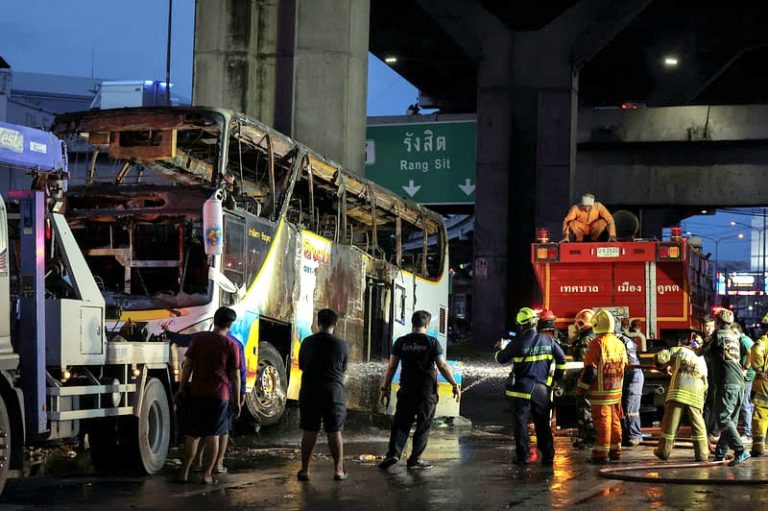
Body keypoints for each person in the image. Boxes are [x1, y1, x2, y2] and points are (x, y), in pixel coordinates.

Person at [378, 311, 461, 471]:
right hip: (426, 392)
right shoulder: (432, 342)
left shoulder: (401, 342)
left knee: (401, 423)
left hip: (406, 389)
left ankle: (393, 454)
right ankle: (414, 459)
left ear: (412, 323)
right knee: (423, 425)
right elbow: (442, 366)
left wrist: (385, 388)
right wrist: (454, 384)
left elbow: (392, 367)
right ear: (427, 324)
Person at [163, 321, 247, 475]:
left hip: (198, 392)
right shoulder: (234, 344)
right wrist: (240, 395)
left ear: (214, 321)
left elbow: (187, 360)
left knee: (194, 433)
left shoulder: (200, 338)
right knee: (217, 433)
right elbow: (238, 374)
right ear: (230, 323)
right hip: (222, 394)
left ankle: (187, 470)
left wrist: (168, 333)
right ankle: (212, 469)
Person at [494, 308, 567, 465]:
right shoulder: (548, 341)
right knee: (542, 424)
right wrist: (554, 380)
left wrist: (500, 349)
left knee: (521, 424)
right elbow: (562, 360)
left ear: (522, 325)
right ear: (535, 323)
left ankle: (523, 456)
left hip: (522, 391)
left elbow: (501, 359)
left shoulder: (517, 342)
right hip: (541, 389)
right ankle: (548, 455)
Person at [296, 309, 349, 481]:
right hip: (333, 393)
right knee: (334, 431)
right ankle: (338, 471)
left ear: (318, 322)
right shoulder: (341, 345)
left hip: (310, 390)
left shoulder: (307, 342)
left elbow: (302, 365)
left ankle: (304, 470)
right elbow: (343, 369)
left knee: (310, 430)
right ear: (335, 324)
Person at [577, 309, 627, 463]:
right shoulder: (619, 343)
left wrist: (581, 388)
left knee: (602, 421)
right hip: (616, 390)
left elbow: (590, 370)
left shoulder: (596, 343)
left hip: (600, 392)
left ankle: (601, 453)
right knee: (615, 420)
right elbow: (624, 364)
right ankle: (615, 450)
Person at [653, 336, 709, 461]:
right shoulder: (702, 358)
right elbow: (706, 382)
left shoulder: (678, 350)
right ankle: (702, 454)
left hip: (678, 393)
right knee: (698, 426)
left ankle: (663, 451)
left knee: (670, 424)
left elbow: (660, 358)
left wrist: (663, 367)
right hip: (696, 395)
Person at [710, 308, 750, 465]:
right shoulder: (734, 337)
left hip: (727, 384)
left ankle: (740, 450)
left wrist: (685, 349)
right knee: (730, 421)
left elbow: (700, 352)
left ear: (718, 322)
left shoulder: (717, 336)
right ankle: (720, 453)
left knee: (723, 419)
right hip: (739, 383)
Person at [617, 320, 644, 447]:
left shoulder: (622, 342)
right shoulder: (623, 341)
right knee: (625, 406)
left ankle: (634, 436)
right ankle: (628, 434)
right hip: (628, 376)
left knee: (630, 408)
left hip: (633, 376)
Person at [572, 308, 597, 449]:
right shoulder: (596, 337)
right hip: (597, 381)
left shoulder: (586, 339)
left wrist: (582, 385)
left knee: (585, 409)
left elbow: (584, 364)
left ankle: (588, 438)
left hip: (587, 381)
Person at [731, 322, 755, 444]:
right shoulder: (742, 340)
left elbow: (752, 352)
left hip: (748, 376)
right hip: (746, 376)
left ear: (736, 332)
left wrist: (745, 368)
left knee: (745, 404)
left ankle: (747, 434)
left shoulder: (744, 340)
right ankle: (747, 432)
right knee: (746, 403)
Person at [749, 314, 768, 457]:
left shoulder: (764, 340)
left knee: (761, 412)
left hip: (765, 383)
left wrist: (759, 368)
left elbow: (755, 351)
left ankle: (758, 446)